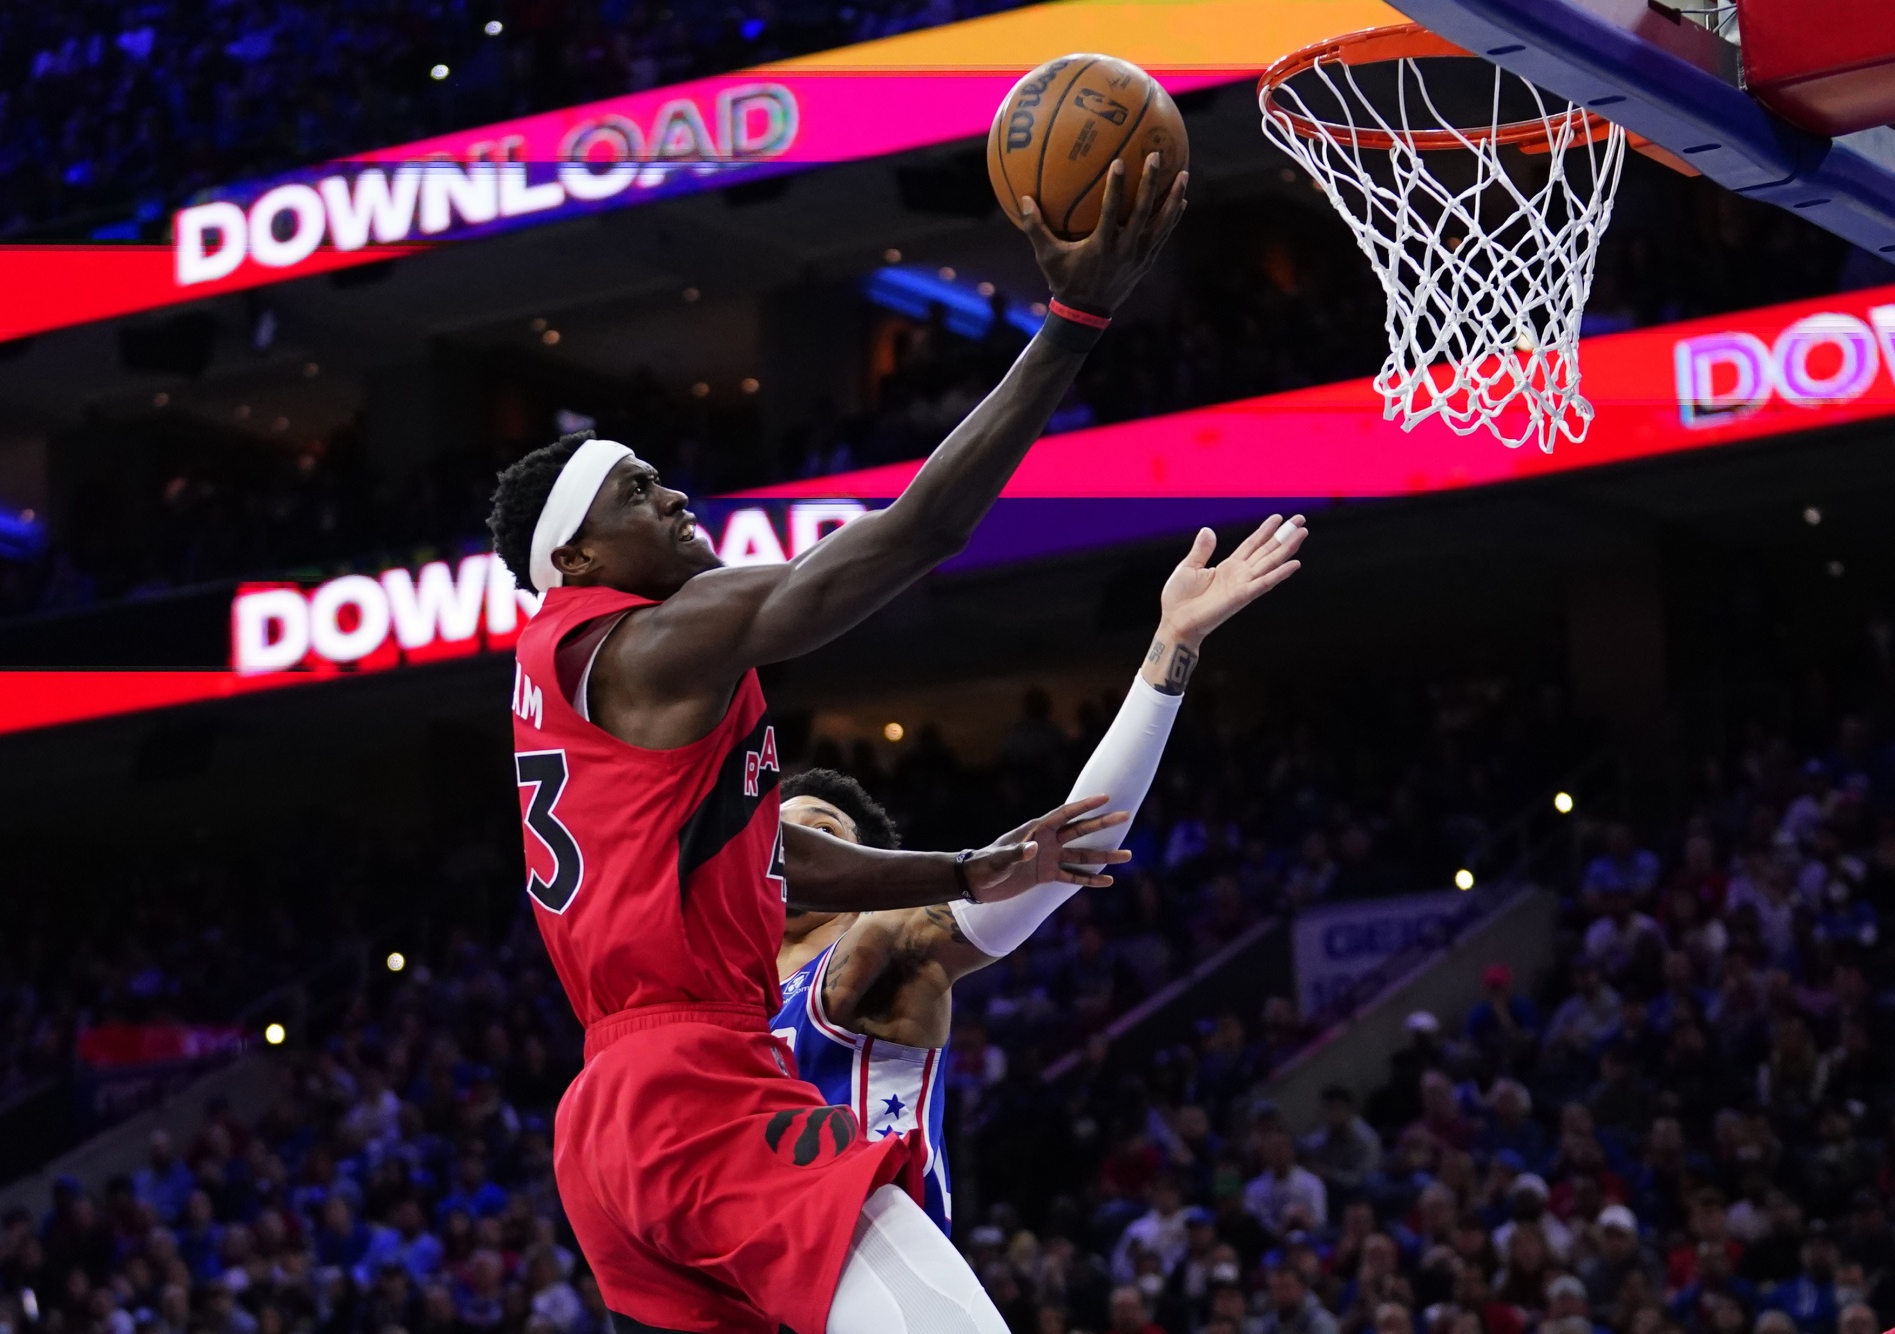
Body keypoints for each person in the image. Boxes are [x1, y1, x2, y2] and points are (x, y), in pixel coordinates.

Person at [486, 155, 1188, 1333]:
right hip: (696, 1084)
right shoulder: (655, 639)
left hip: (610, 1121)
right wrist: (1071, 323)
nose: (674, 498)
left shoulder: (578, 686)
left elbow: (776, 856)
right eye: (637, 491)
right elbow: (921, 531)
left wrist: (964, 868)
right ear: (581, 560)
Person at [771, 518, 1309, 1232]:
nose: (800, 845)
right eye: (784, 833)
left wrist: (1173, 645)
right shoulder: (710, 984)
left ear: (867, 872)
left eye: (825, 832)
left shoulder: (893, 937)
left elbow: (1076, 842)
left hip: (870, 1269)